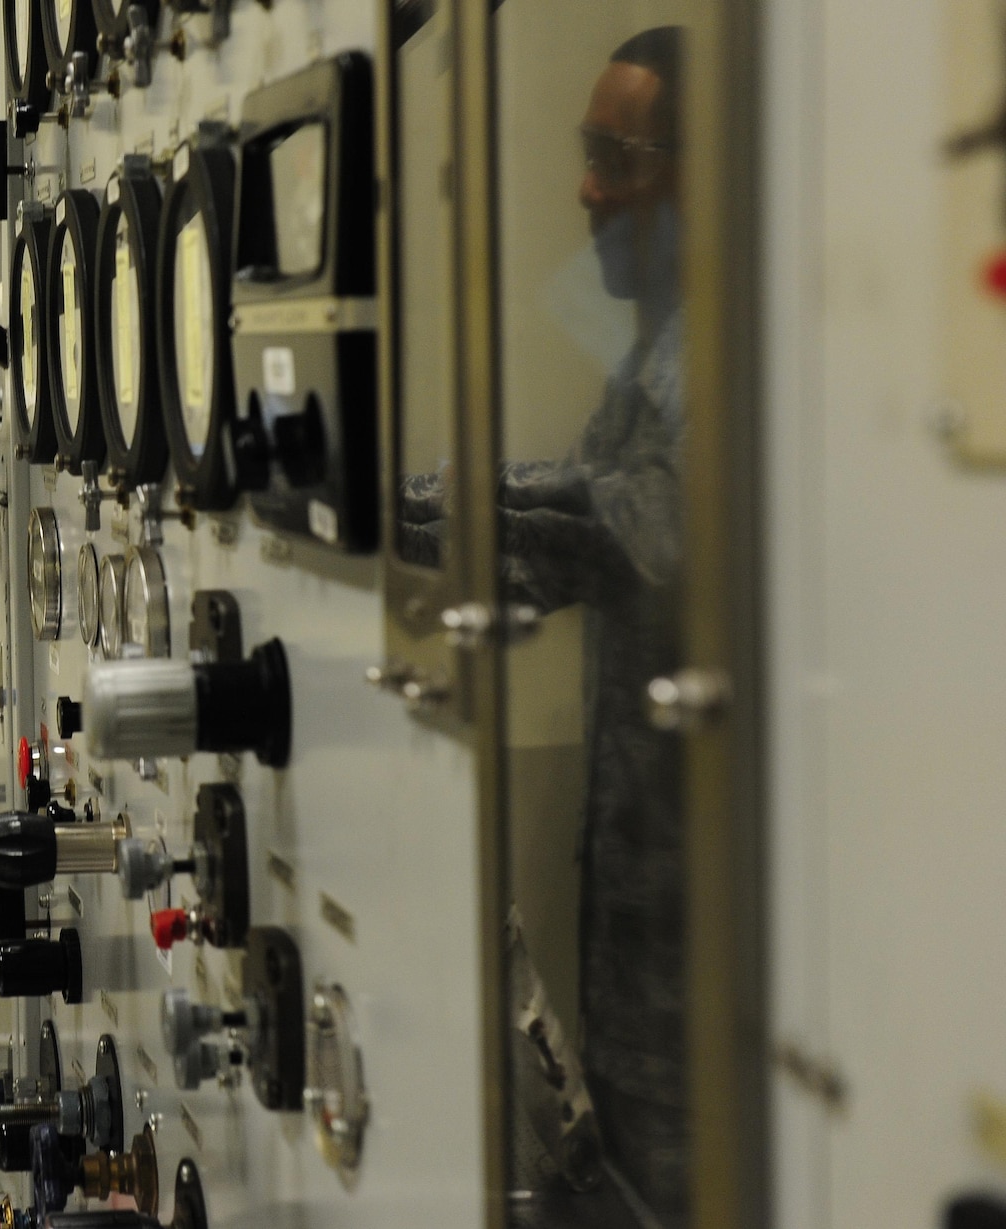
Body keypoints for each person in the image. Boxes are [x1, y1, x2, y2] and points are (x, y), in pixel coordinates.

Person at [398, 26, 689, 1228]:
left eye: (610, 157)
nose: (585, 187)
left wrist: (435, 496)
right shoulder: (647, 351)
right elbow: (552, 566)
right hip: (634, 894)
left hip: (714, 910)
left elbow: (655, 532)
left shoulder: (758, 350)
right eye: (587, 154)